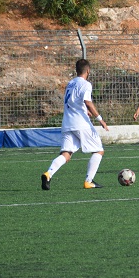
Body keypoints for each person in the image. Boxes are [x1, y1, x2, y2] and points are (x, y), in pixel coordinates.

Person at [41, 58, 109, 190]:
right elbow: (88, 102)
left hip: (67, 123)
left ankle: (48, 174)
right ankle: (89, 181)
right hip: (81, 124)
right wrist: (100, 119)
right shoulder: (86, 84)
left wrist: (84, 110)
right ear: (88, 71)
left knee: (66, 154)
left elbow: (74, 102)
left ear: (76, 70)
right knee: (99, 150)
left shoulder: (70, 83)